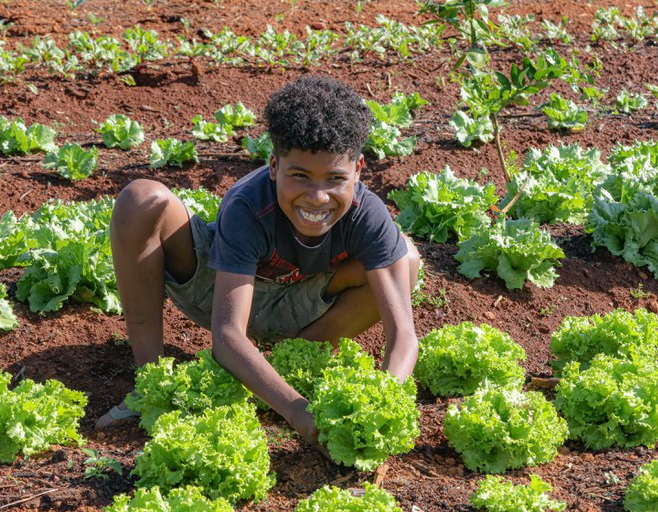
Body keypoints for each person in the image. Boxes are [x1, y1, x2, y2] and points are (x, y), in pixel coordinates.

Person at [96, 75, 421, 452]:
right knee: (141, 199)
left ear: (358, 169)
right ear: (273, 166)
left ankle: (284, 366)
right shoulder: (249, 206)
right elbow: (227, 337)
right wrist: (297, 411)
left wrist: (382, 404)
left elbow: (404, 336)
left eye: (335, 178)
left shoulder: (367, 214)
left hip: (303, 309)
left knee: (406, 259)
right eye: (299, 176)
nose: (317, 197)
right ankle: (150, 384)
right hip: (219, 292)